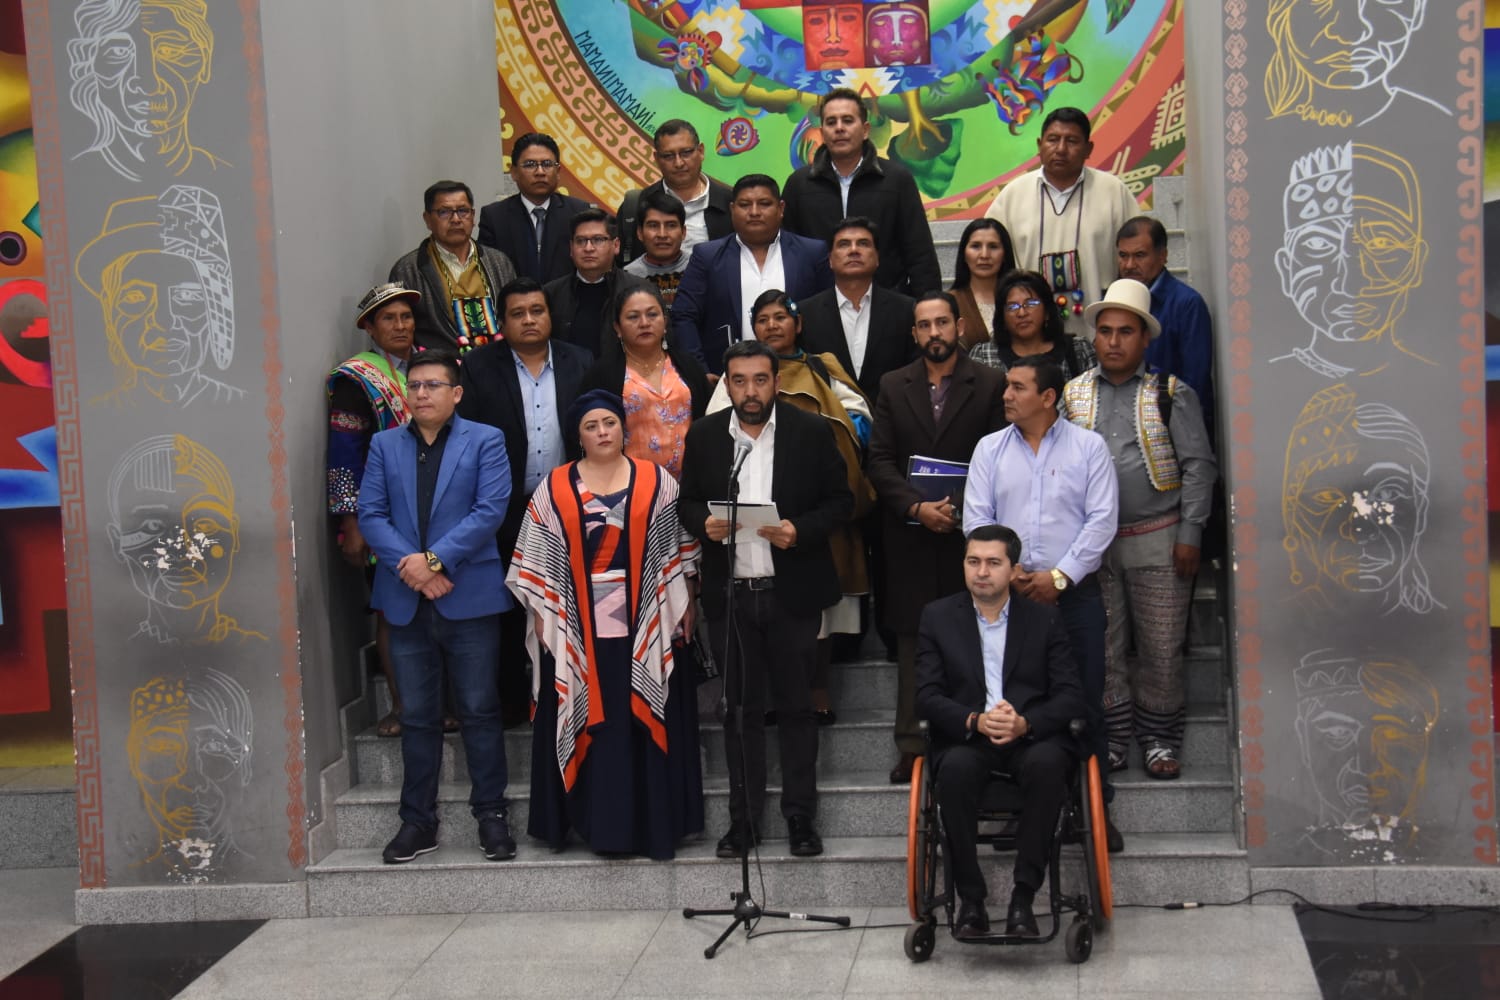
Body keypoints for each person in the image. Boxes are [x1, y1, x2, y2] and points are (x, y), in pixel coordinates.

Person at [507, 389, 703, 858]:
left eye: (609, 423)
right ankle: (589, 824)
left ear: (623, 427)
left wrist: (688, 600)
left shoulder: (657, 482)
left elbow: (679, 551)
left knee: (642, 716)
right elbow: (536, 559)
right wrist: (541, 615)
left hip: (646, 621)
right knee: (588, 716)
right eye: (591, 426)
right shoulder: (553, 488)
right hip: (577, 627)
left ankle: (653, 825)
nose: (602, 433)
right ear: (578, 435)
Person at [678, 340, 854, 858]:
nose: (750, 391)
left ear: (777, 382)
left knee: (797, 707)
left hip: (790, 593)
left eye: (760, 380)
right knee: (739, 711)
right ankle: (744, 822)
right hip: (731, 597)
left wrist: (799, 530)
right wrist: (704, 523)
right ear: (726, 385)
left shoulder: (810, 431)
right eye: (739, 381)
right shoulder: (706, 435)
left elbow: (841, 502)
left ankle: (800, 818)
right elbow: (688, 500)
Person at [356, 351, 515, 864]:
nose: (421, 394)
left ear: (456, 393)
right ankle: (417, 822)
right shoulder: (384, 444)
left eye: (433, 385)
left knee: (480, 710)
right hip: (406, 599)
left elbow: (489, 511)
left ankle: (491, 815)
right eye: (415, 385)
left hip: (469, 595)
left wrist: (433, 562)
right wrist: (416, 570)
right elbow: (371, 514)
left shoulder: (486, 440)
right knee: (418, 715)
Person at [963, 356, 1121, 850]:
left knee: (1084, 702)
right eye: (1007, 386)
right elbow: (977, 521)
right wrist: (1009, 574)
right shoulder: (989, 449)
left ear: (1048, 397)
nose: (1006, 395)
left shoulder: (1088, 448)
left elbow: (1102, 520)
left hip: (1074, 596)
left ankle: (1095, 813)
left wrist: (1059, 576)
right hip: (1008, 600)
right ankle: (1029, 812)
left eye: (1017, 387)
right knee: (1021, 703)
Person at [1062, 278, 1217, 780]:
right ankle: (1112, 737)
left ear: (1145, 338)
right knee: (1102, 648)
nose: (1113, 342)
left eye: (1125, 332)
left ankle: (1159, 739)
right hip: (1092, 545)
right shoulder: (1071, 394)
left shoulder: (1171, 394)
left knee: (1162, 646)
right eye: (1105, 331)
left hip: (1159, 538)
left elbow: (1198, 466)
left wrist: (1191, 533)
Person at [706, 290, 874, 723]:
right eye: (763, 319)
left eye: (781, 316)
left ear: (798, 324)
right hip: (751, 512)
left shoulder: (822, 366)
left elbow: (857, 415)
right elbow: (713, 433)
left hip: (810, 504)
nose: (772, 325)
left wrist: (825, 430)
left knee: (815, 609)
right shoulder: (735, 376)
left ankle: (816, 690)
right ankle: (764, 697)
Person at [915, 524, 1085, 938]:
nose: (981, 572)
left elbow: (1070, 695)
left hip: (1030, 737)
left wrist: (1026, 723)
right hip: (969, 737)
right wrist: (974, 720)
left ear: (1014, 569)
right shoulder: (938, 617)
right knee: (953, 772)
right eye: (973, 561)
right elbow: (926, 695)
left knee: (1049, 766)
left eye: (993, 562)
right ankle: (971, 901)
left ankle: (1023, 898)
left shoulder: (1044, 619)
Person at [866, 291, 1006, 783]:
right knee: (913, 646)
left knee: (979, 641)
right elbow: (878, 460)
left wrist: (962, 511)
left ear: (959, 326)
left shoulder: (990, 383)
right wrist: (916, 507)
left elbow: (1000, 456)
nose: (934, 333)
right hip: (911, 538)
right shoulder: (893, 384)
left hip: (973, 540)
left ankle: (978, 738)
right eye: (924, 326)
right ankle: (912, 744)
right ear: (914, 334)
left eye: (942, 323)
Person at [458, 277, 593, 726]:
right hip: (503, 508)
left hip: (566, 504)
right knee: (510, 603)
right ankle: (513, 701)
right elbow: (467, 438)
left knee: (570, 601)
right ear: (502, 322)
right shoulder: (477, 367)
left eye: (537, 310)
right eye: (518, 313)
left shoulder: (580, 360)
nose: (529, 320)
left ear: (551, 315)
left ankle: (571, 697)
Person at [328, 282, 419, 737]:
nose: (400, 326)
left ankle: (442, 703)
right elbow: (345, 452)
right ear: (369, 326)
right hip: (382, 514)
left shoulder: (434, 366)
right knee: (392, 609)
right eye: (389, 318)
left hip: (437, 509)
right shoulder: (357, 379)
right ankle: (402, 706)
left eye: (406, 317)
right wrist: (351, 521)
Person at [984, 107, 1138, 336]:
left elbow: (1138, 255)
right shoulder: (1013, 195)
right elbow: (986, 260)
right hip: (1029, 335)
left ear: (1088, 149)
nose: (1061, 149)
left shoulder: (1113, 192)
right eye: (1053, 140)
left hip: (1100, 331)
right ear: (1039, 145)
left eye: (1072, 141)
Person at [781, 88, 940, 297]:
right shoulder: (799, 185)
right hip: (818, 305)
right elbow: (788, 256)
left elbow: (920, 253)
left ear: (865, 130)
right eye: (831, 122)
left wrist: (928, 305)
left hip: (886, 303)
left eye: (848, 120)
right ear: (822, 131)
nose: (839, 128)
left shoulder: (896, 180)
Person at [670, 174, 833, 375]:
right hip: (728, 378)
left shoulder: (811, 253)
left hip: (800, 376)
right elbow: (683, 316)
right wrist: (699, 373)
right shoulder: (707, 256)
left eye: (764, 204)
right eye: (745, 205)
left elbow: (828, 316)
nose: (754, 212)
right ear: (732, 210)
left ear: (781, 208)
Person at [579, 285, 711, 480]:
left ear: (665, 321)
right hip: (631, 485)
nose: (644, 323)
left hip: (691, 484)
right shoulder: (601, 375)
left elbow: (708, 426)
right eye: (633, 317)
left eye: (652, 315)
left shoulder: (688, 367)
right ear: (617, 328)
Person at [1115, 216, 1216, 445]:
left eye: (1139, 255)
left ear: (1163, 256)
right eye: (1123, 255)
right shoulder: (1114, 300)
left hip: (1172, 433)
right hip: (1124, 432)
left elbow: (1194, 386)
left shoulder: (1187, 304)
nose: (1129, 265)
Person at [797, 216, 918, 403]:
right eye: (844, 244)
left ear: (877, 258)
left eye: (863, 243)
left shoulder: (906, 310)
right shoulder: (806, 314)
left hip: (892, 416)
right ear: (830, 260)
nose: (854, 250)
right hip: (828, 417)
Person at [389, 180, 516, 353]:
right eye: (444, 212)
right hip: (439, 364)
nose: (456, 219)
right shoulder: (408, 270)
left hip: (497, 360)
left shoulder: (499, 262)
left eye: (463, 211)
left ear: (473, 216)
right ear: (427, 219)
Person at [478, 132, 591, 285]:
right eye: (530, 165)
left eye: (547, 164)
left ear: (558, 172)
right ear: (514, 172)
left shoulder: (578, 211)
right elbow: (488, 273)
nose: (540, 172)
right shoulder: (495, 217)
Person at [617, 119, 733, 263]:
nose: (678, 163)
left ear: (701, 151)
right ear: (657, 159)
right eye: (668, 156)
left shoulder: (731, 203)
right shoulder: (637, 205)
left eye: (686, 153)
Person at [543, 209, 643, 359]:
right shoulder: (551, 294)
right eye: (580, 241)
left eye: (598, 240)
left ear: (616, 245)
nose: (588, 248)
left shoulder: (639, 291)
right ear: (571, 248)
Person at [969, 269, 1095, 380]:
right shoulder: (984, 356)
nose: (1022, 313)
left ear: (1047, 311)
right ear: (1002, 317)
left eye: (1031, 304)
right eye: (1012, 307)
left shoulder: (1079, 350)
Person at [950, 218, 1016, 350]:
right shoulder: (950, 302)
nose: (984, 255)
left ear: (1005, 254)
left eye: (993, 246)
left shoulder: (1020, 299)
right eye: (976, 246)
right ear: (964, 254)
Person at [623, 190, 691, 311]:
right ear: (640, 233)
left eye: (671, 225)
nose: (662, 234)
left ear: (683, 232)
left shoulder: (701, 269)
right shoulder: (626, 277)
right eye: (653, 225)